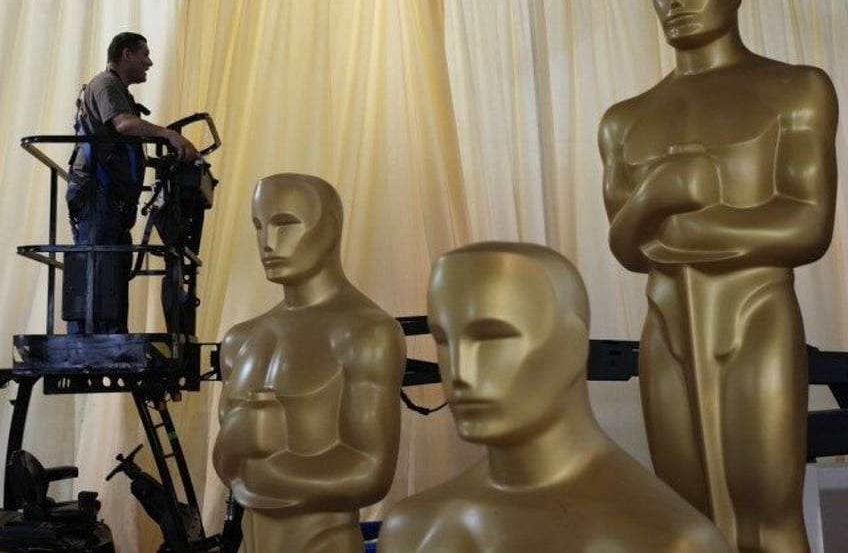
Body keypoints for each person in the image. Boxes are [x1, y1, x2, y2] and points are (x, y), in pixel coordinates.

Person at [598, 0, 838, 552]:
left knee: (768, 510)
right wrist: (654, 198)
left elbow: (808, 224)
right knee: (686, 514)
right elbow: (624, 246)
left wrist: (687, 226)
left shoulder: (797, 88)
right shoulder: (625, 119)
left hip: (754, 315)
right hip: (669, 325)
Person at [378, 242, 730, 553]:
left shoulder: (669, 541)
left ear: (573, 343)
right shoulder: (411, 529)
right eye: (442, 340)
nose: (460, 373)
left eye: (493, 339)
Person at [212, 173, 407, 553]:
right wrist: (238, 442)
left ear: (330, 230)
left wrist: (266, 471)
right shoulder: (239, 341)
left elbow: (371, 471)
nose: (268, 243)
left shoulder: (367, 333)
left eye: (285, 225)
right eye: (258, 226)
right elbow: (227, 463)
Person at [65, 32, 198, 334]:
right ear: (126, 54)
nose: (149, 62)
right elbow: (124, 124)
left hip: (111, 198)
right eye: (144, 54)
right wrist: (169, 135)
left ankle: (109, 334)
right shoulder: (106, 84)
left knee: (112, 269)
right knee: (99, 266)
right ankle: (90, 338)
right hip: (97, 194)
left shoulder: (117, 90)